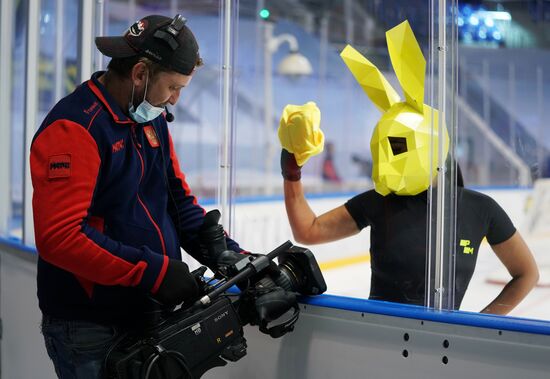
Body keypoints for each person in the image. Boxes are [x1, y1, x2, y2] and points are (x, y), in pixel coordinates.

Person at [30, 14, 249, 378]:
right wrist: (154, 272)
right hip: (92, 326)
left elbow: (177, 202)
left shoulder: (151, 119)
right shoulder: (74, 128)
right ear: (140, 74)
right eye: (173, 87)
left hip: (147, 310)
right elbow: (60, 237)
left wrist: (229, 253)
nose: (175, 100)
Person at [280, 148, 539, 315]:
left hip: (444, 343)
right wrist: (292, 173)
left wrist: (484, 324)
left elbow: (527, 273)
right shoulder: (382, 200)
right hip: (378, 335)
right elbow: (309, 230)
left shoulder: (481, 209)